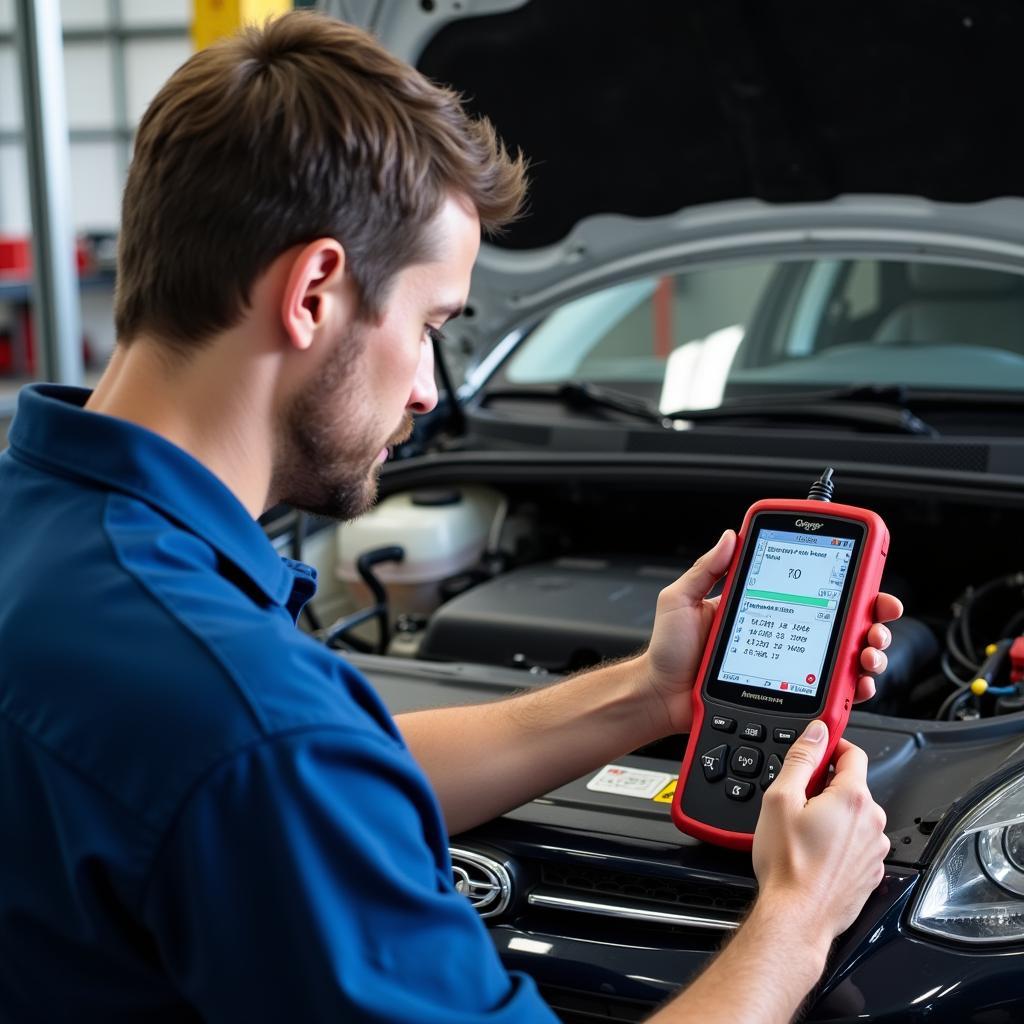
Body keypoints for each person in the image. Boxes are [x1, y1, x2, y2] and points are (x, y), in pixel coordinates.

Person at [0, 11, 900, 1023]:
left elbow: (323, 773)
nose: (430, 388)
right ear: (312, 292)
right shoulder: (247, 720)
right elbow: (276, 761)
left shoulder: (41, 529)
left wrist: (653, 694)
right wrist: (795, 916)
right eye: (431, 325)